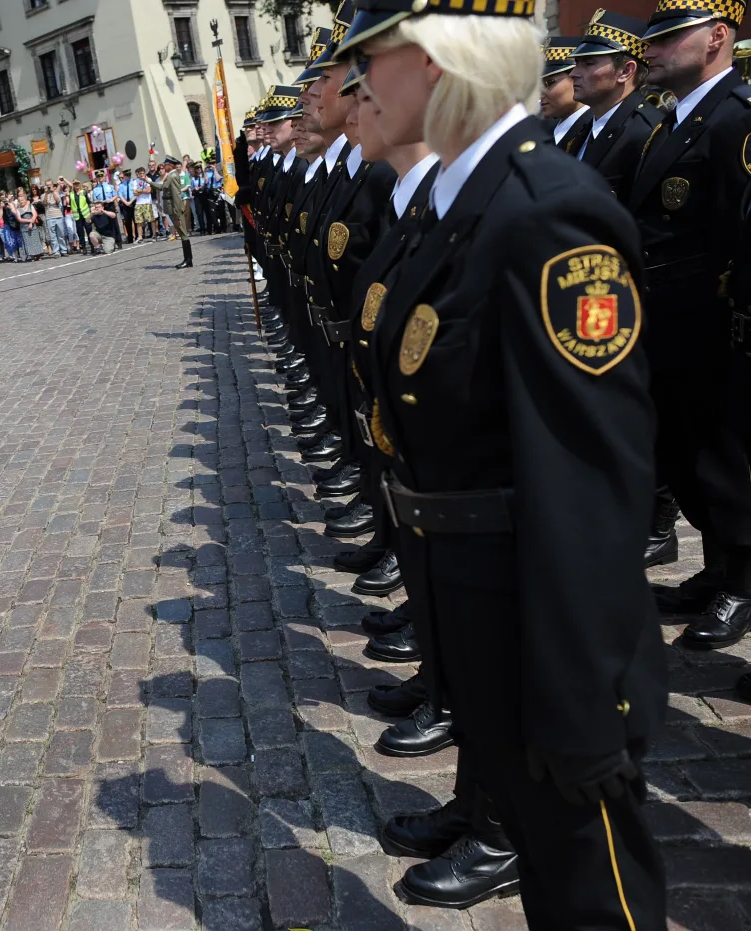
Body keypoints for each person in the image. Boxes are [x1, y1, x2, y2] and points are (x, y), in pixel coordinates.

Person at [339, 1, 667, 923]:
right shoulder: (463, 204)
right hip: (481, 600)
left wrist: (583, 692)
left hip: (541, 625)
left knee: (591, 891)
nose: (362, 85)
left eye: (375, 59)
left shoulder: (545, 210)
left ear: (440, 63)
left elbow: (592, 478)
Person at [636, 2, 751, 649]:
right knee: (686, 460)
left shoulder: (736, 118)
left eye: (668, 37)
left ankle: (742, 582)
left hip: (714, 333)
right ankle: (715, 570)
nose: (652, 48)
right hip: (671, 331)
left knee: (725, 466)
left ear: (717, 36)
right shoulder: (672, 122)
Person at [567, 12, 659, 205]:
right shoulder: (581, 130)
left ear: (625, 71)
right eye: (577, 64)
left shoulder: (648, 132)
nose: (574, 73)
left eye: (589, 63)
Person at [540, 36, 592, 152]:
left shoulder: (593, 127)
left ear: (575, 77)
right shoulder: (544, 130)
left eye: (549, 83)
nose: (541, 94)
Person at [151, 157, 191, 267]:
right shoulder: (171, 176)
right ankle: (187, 259)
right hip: (173, 208)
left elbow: (176, 196)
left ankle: (188, 260)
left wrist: (177, 214)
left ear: (170, 165)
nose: (164, 166)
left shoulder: (172, 176)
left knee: (183, 234)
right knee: (182, 234)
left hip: (176, 209)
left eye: (166, 164)